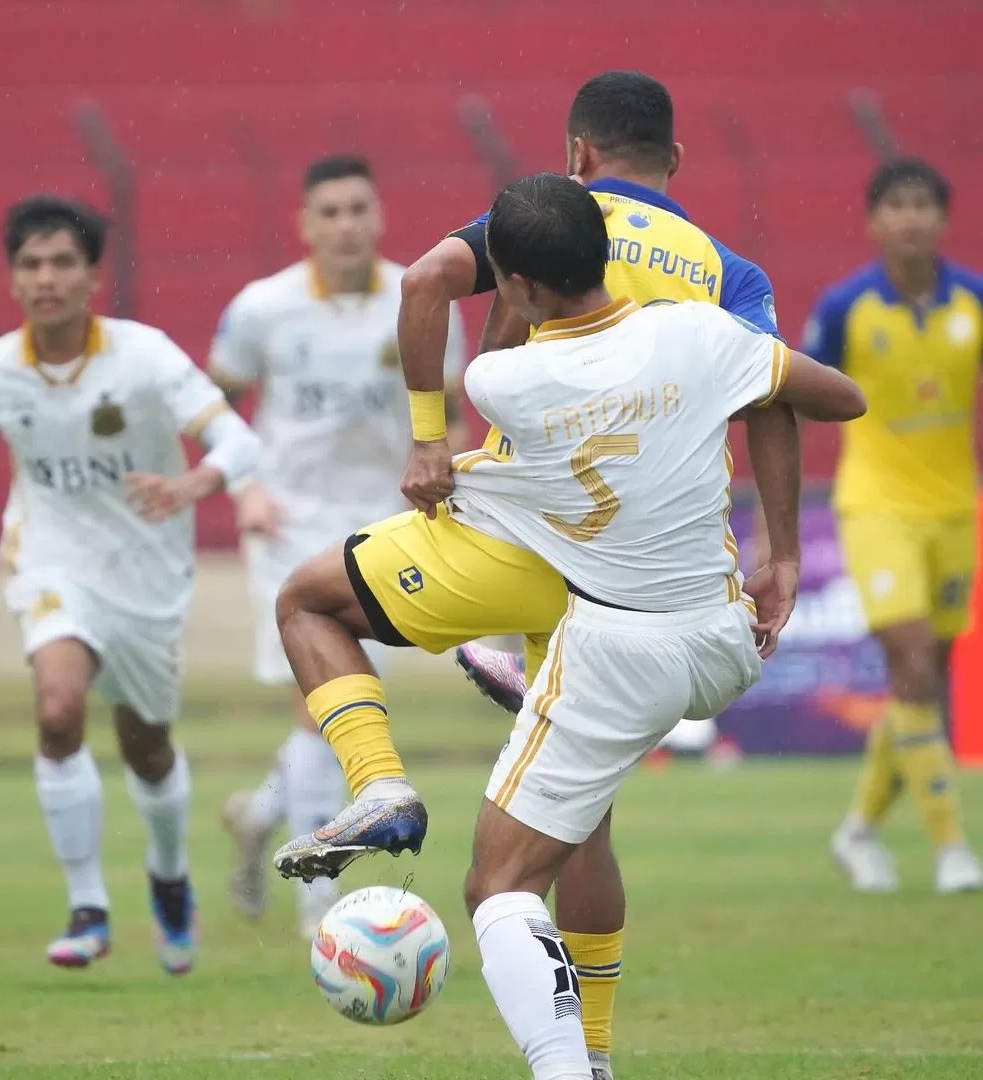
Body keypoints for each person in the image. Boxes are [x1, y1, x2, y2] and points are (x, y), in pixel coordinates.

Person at [274, 71, 802, 1078]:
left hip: (516, 542)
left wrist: (435, 442)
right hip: (638, 579)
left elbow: (424, 280)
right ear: (676, 164)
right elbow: (777, 398)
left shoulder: (550, 219)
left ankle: (380, 784)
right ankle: (591, 1055)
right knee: (577, 823)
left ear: (576, 154)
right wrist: (780, 549)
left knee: (308, 599)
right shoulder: (726, 272)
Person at [0, 195, 261, 972]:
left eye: (62, 262)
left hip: (146, 574)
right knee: (59, 706)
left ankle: (169, 880)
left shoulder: (144, 356)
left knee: (146, 748)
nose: (46, 278)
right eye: (31, 264)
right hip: (49, 557)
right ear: (12, 279)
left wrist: (193, 484)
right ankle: (88, 907)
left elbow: (236, 438)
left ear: (90, 275)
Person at [208, 155, 466, 937]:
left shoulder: (419, 297)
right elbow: (213, 409)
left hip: (382, 525)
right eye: (330, 212)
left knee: (339, 705)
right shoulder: (262, 308)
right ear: (306, 224)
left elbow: (451, 413)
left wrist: (439, 471)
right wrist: (243, 490)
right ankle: (320, 893)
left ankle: (260, 814)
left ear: (379, 216)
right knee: (324, 704)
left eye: (359, 208)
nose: (346, 224)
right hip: (288, 522)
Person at [801, 158, 983, 894]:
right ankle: (952, 850)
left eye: (923, 205)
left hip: (953, 508)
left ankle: (857, 831)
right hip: (875, 505)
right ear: (874, 221)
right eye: (896, 205)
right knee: (912, 664)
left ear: (943, 218)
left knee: (923, 680)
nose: (911, 218)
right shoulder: (847, 307)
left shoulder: (972, 300)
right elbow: (802, 389)